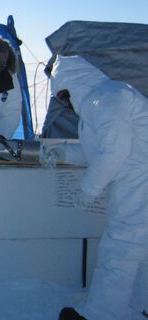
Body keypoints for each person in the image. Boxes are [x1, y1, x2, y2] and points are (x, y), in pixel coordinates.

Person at [47, 55, 148, 320]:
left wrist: (89, 190)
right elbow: (102, 149)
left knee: (121, 249)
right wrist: (63, 155)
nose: (64, 103)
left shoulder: (103, 98)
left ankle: (99, 314)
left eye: (63, 96)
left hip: (139, 181)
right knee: (140, 249)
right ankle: (139, 305)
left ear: (69, 86)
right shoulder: (104, 97)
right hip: (136, 178)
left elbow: (116, 149)